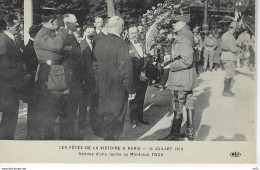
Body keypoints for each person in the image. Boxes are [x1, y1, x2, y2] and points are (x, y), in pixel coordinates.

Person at [93, 16, 136, 140]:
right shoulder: (121, 43)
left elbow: (95, 66)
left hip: (103, 87)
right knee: (117, 119)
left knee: (106, 118)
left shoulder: (99, 41)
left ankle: (107, 144)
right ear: (121, 27)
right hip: (118, 88)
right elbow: (126, 70)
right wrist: (131, 89)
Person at [33, 10, 72, 140]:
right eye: (58, 21)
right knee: (49, 120)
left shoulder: (49, 33)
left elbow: (62, 48)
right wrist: (62, 29)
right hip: (51, 81)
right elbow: (57, 45)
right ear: (52, 21)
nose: (60, 23)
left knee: (64, 118)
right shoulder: (42, 35)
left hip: (58, 79)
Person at [159, 21, 198, 141]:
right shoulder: (188, 35)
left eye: (174, 24)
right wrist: (168, 61)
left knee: (178, 105)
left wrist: (170, 65)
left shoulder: (183, 38)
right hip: (187, 78)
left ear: (181, 24)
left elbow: (186, 60)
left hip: (180, 79)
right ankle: (190, 133)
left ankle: (174, 134)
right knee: (189, 103)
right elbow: (181, 56)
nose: (172, 26)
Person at [0, 14, 23, 140]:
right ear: (8, 27)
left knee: (11, 115)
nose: (19, 28)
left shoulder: (12, 40)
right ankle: (5, 143)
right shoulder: (4, 42)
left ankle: (7, 140)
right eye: (17, 26)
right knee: (9, 116)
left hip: (12, 85)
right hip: (7, 86)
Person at [22, 25, 42, 139]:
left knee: (35, 108)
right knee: (33, 109)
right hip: (33, 84)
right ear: (36, 35)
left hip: (35, 83)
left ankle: (34, 132)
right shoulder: (30, 47)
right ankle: (32, 134)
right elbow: (31, 67)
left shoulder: (32, 46)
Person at [128, 26, 149, 126]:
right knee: (133, 98)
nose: (134, 35)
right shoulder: (126, 45)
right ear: (128, 34)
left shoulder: (141, 44)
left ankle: (140, 118)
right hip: (133, 76)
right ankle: (133, 119)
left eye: (136, 33)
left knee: (141, 97)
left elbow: (144, 58)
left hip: (143, 76)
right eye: (132, 33)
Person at [79, 26, 96, 130]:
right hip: (84, 79)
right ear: (84, 32)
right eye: (88, 31)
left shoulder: (96, 44)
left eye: (92, 32)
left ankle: (93, 121)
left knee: (94, 101)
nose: (90, 33)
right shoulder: (81, 45)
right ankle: (82, 123)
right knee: (83, 102)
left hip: (95, 78)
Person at [221, 21, 241, 97]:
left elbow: (225, 45)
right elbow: (233, 49)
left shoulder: (224, 35)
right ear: (235, 28)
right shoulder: (231, 36)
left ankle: (227, 90)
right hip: (229, 57)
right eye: (237, 29)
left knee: (228, 73)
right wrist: (240, 50)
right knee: (229, 74)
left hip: (224, 55)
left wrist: (235, 43)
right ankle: (226, 91)